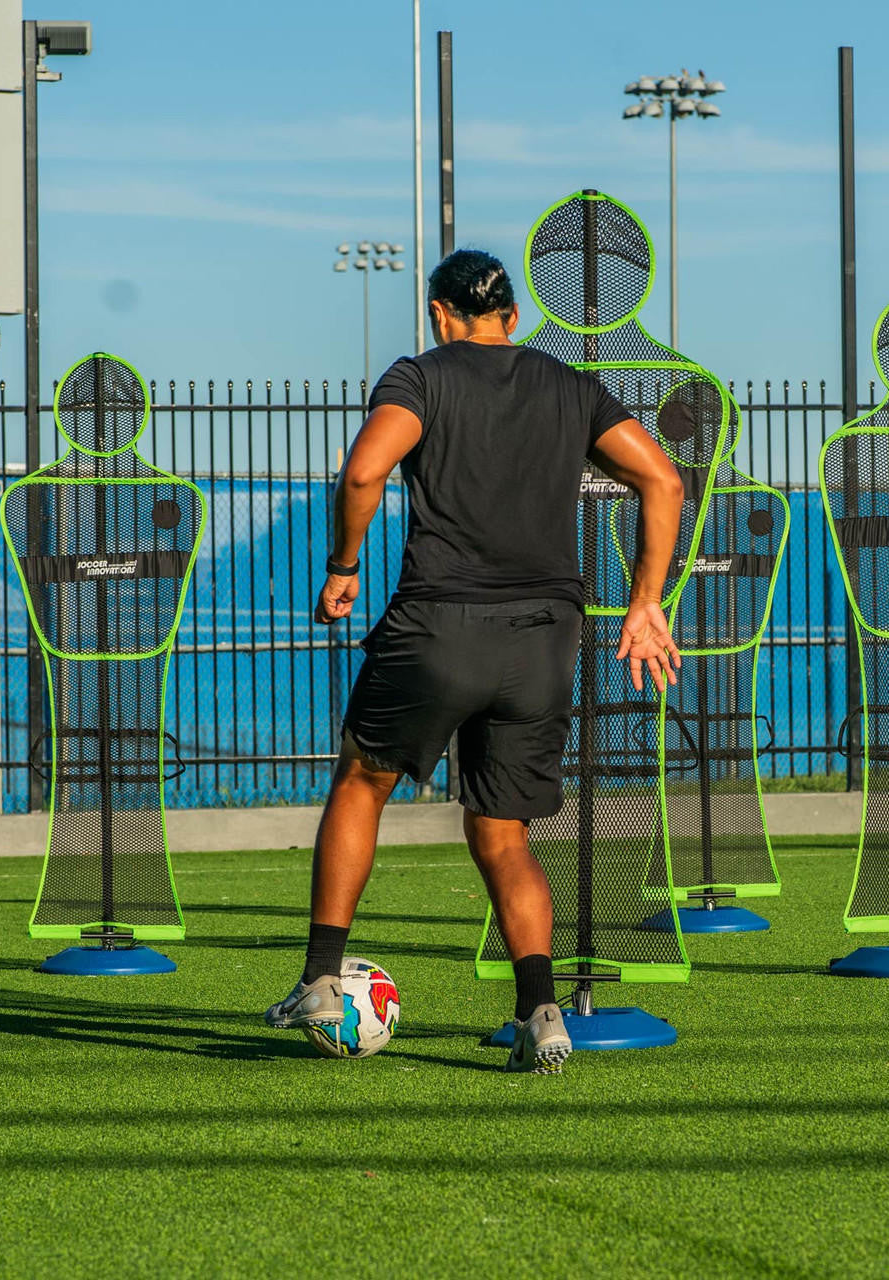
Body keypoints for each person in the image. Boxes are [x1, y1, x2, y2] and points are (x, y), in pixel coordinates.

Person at [264, 249, 683, 1073]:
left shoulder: (420, 378)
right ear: (513, 318)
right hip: (544, 637)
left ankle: (319, 978)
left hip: (440, 624)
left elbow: (362, 472)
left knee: (363, 780)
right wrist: (645, 602)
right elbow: (663, 481)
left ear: (437, 313)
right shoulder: (569, 385)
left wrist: (343, 566)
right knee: (502, 831)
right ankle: (541, 1012)